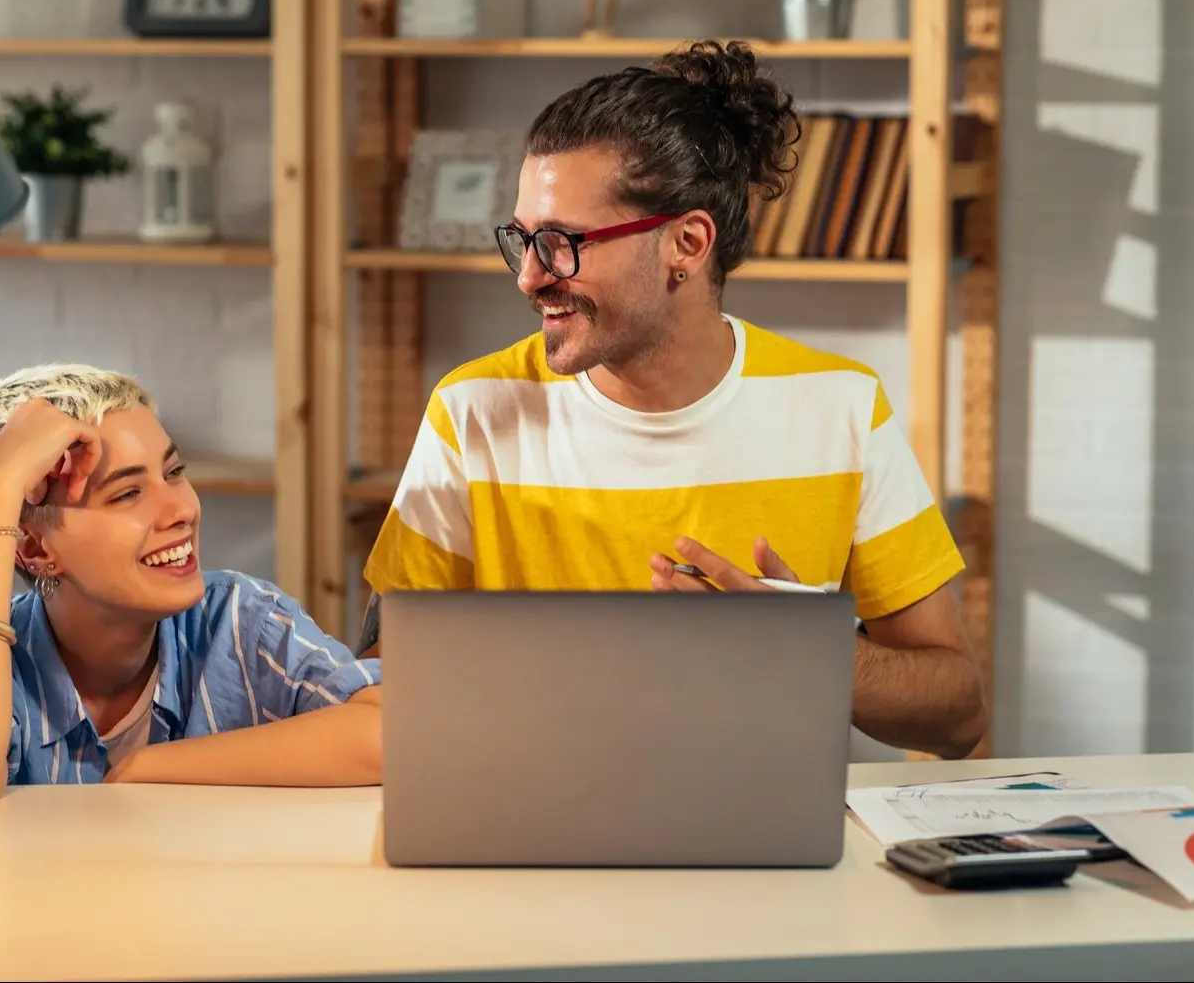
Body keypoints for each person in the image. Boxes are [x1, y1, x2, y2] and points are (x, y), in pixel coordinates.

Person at [355, 39, 986, 760]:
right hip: (527, 812)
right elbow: (378, 689)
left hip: (757, 828)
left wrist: (811, 650)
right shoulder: (473, 411)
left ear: (687, 243)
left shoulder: (840, 409)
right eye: (522, 240)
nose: (528, 277)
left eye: (561, 242)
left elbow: (958, 715)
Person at [0, 363, 382, 800]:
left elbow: (392, 735)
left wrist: (152, 768)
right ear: (33, 549)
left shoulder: (242, 622)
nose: (180, 510)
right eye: (126, 494)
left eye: (174, 472)